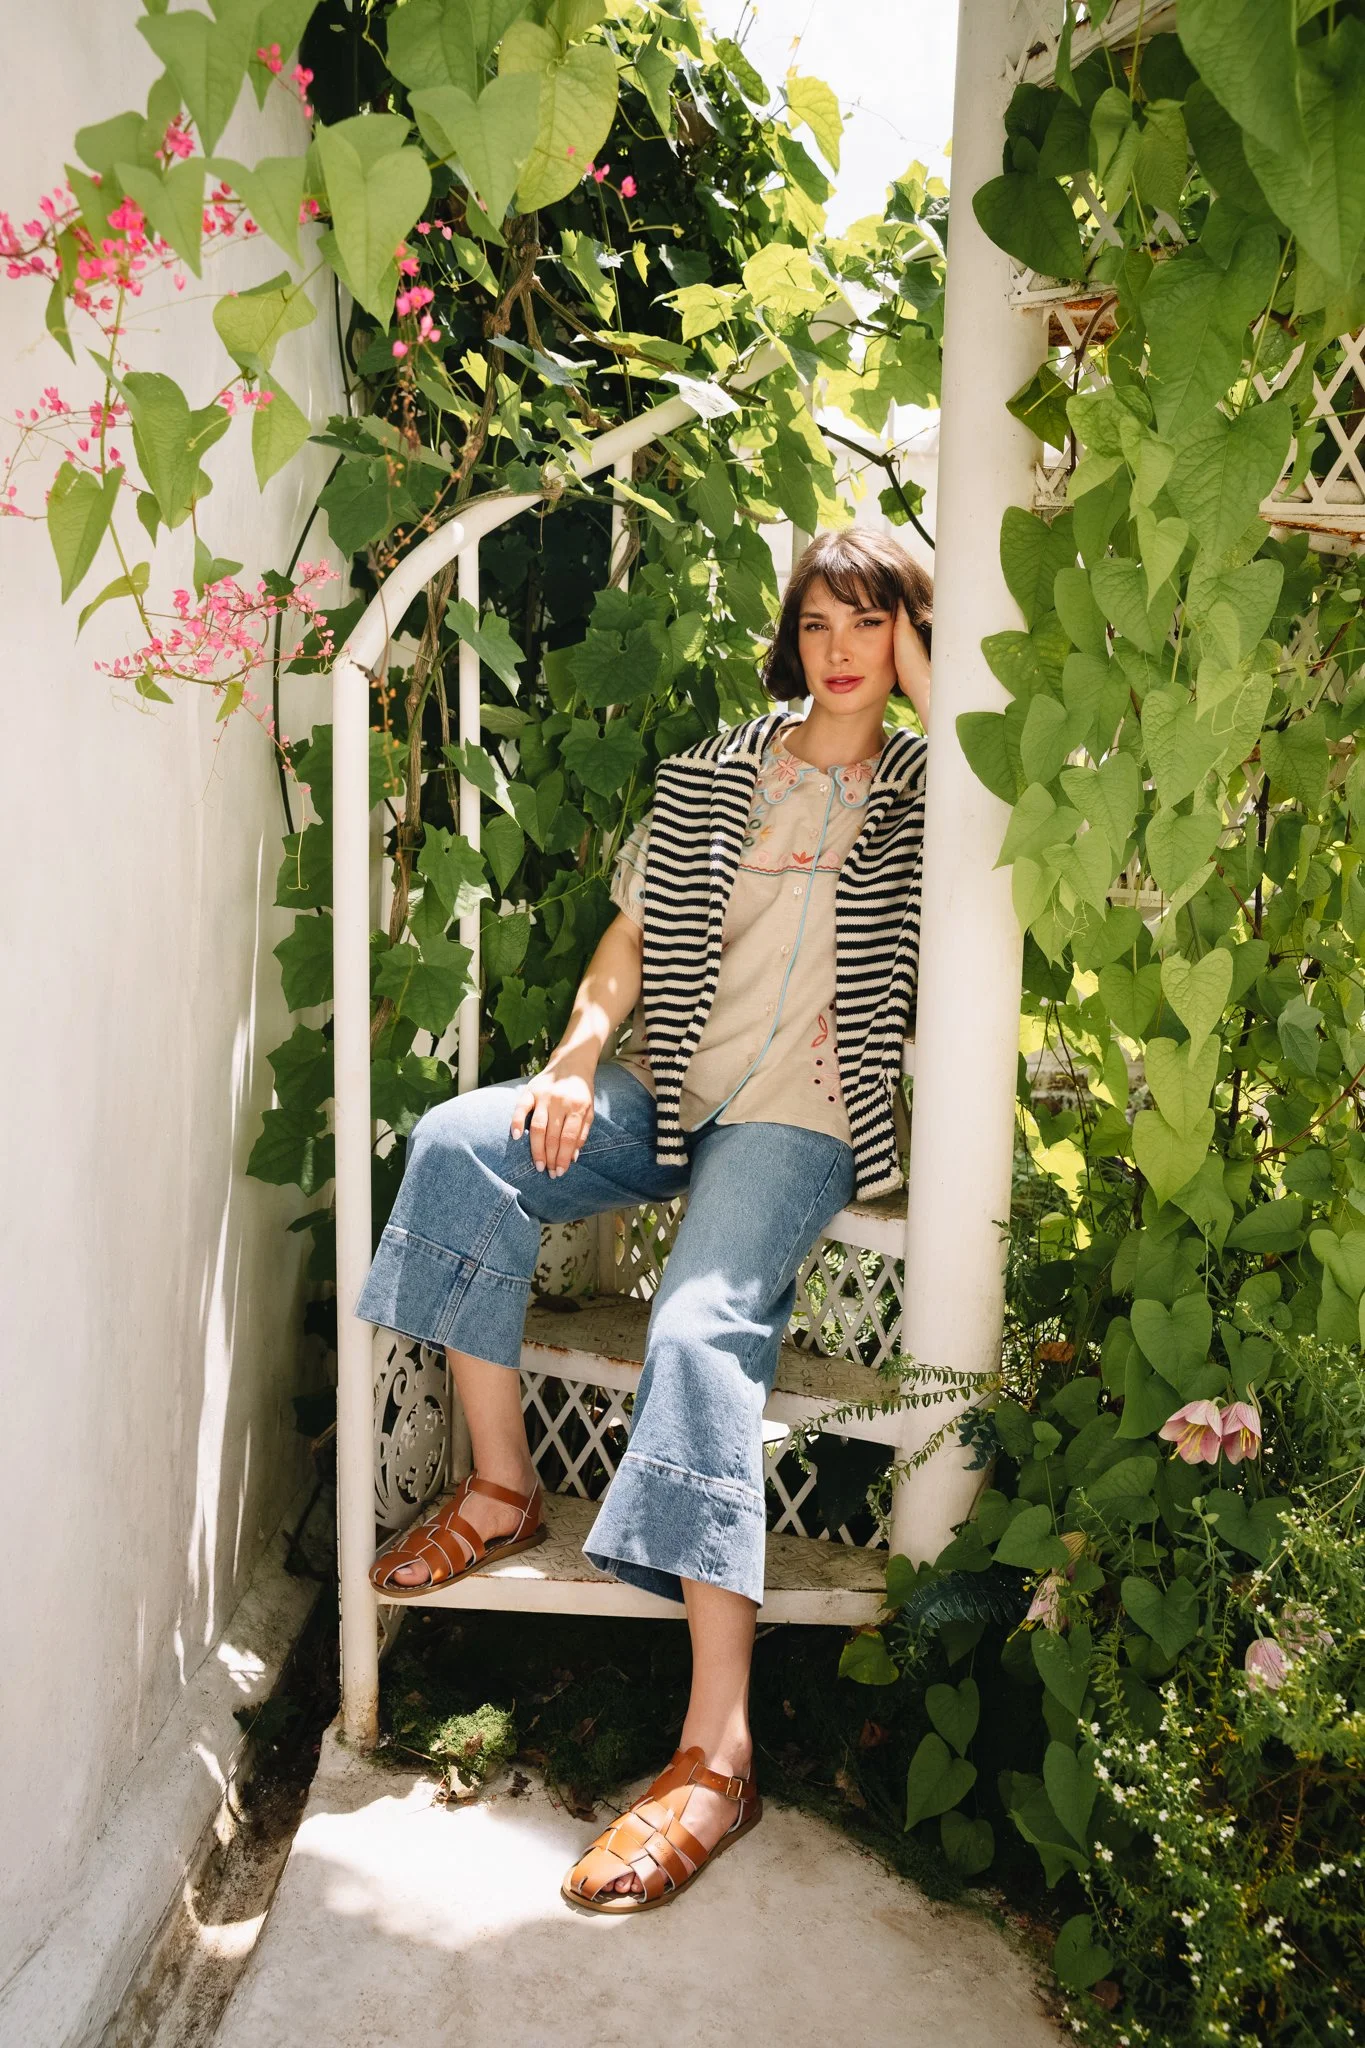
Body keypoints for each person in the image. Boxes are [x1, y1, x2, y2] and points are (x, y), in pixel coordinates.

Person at [354, 525, 933, 1912]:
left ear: (907, 638)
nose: (841, 654)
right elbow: (626, 937)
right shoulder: (716, 773)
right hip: (671, 1079)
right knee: (456, 1144)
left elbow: (986, 732)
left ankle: (715, 1751)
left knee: (694, 1323)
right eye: (818, 626)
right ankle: (502, 1485)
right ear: (790, 640)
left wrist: (928, 663)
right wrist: (574, 1052)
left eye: (872, 625)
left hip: (799, 1114)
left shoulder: (934, 792)